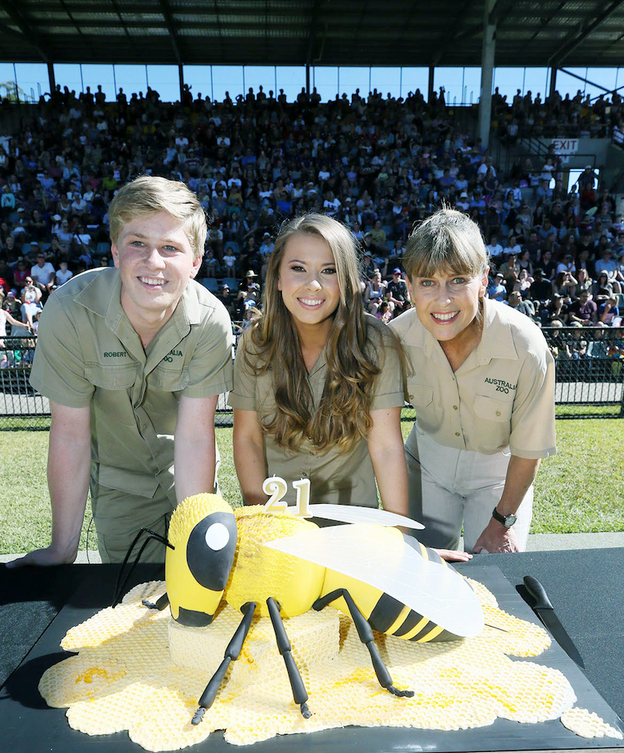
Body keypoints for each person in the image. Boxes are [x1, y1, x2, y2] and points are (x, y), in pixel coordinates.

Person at [8, 176, 233, 567]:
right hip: (119, 488)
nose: (154, 262)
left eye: (170, 247)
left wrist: (193, 535)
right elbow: (70, 434)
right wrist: (63, 549)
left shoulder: (211, 322)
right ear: (115, 251)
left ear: (195, 262)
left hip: (191, 478)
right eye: (137, 244)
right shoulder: (70, 312)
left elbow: (195, 434)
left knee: (200, 591)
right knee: (126, 601)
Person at [390, 208, 556, 554]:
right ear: (408, 287)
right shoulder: (396, 338)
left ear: (483, 279)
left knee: (497, 581)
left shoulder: (525, 345)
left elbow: (528, 449)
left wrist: (503, 520)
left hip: (498, 474)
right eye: (427, 283)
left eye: (458, 280)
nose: (443, 300)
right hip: (425, 468)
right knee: (421, 576)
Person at [229, 213, 409, 514]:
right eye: (298, 268)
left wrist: (402, 537)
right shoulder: (254, 344)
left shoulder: (377, 343)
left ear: (347, 281)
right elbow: (247, 438)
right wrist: (261, 521)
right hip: (278, 524)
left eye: (328, 270)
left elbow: (387, 448)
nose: (313, 284)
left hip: (353, 527)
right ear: (276, 279)